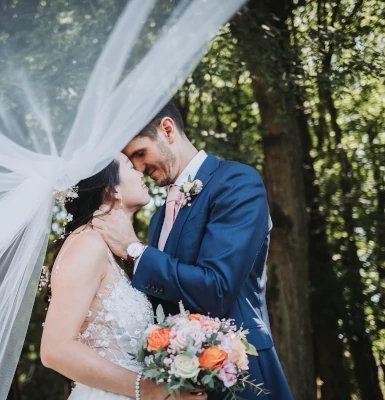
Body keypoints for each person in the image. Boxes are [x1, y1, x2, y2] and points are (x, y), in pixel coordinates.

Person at [92, 102, 294, 400]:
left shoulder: (237, 182)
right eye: (131, 161)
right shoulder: (160, 217)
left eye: (140, 153)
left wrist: (135, 250)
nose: (138, 168)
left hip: (240, 376)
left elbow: (217, 288)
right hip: (179, 383)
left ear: (168, 130)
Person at [40, 153, 207, 400]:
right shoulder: (88, 244)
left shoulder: (111, 251)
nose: (141, 171)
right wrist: (148, 389)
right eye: (131, 166)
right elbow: (55, 349)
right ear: (112, 189)